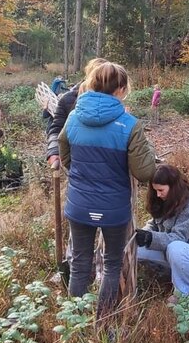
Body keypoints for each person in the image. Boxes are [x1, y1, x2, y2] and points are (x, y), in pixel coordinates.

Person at [58, 62, 157, 322]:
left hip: (79, 204)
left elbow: (66, 157)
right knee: (112, 265)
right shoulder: (129, 124)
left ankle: (74, 324)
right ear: (121, 89)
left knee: (80, 264)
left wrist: (84, 175)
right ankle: (103, 323)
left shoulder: (73, 117)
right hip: (113, 209)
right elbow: (144, 172)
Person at [135, 164, 189, 301]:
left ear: (173, 187)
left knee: (176, 247)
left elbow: (177, 238)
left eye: (161, 190)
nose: (158, 194)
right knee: (134, 247)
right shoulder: (164, 200)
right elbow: (153, 224)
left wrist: (149, 238)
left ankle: (186, 294)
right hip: (169, 254)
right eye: (155, 191)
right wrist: (142, 234)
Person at [46, 58, 108, 170]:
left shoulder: (113, 101)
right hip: (76, 161)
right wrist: (54, 151)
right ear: (89, 75)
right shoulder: (68, 100)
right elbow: (56, 128)